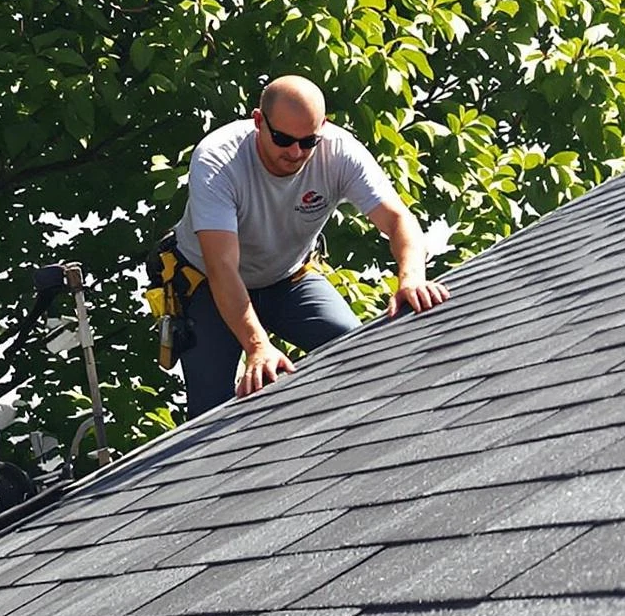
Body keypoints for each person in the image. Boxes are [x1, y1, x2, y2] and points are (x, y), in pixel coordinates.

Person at [171, 75, 450, 414]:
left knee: (354, 350)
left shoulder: (339, 151)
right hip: (211, 287)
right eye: (283, 139)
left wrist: (411, 279)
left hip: (288, 279)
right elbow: (222, 266)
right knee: (210, 408)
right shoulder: (218, 160)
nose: (295, 152)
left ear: (324, 127)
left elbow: (397, 220)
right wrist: (258, 346)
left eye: (307, 142)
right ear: (258, 121)